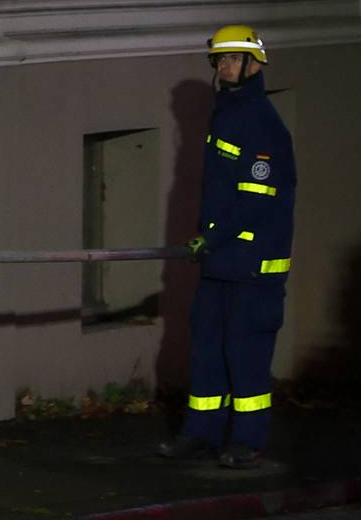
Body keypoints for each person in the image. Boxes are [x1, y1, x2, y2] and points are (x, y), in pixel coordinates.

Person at [156, 24, 295, 469]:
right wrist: (210, 244)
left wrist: (209, 238)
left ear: (256, 64)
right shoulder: (227, 114)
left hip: (254, 268)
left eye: (234, 59)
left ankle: (248, 440)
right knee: (206, 350)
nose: (226, 67)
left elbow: (255, 202)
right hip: (221, 264)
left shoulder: (261, 122)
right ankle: (201, 432)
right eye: (221, 60)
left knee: (246, 354)